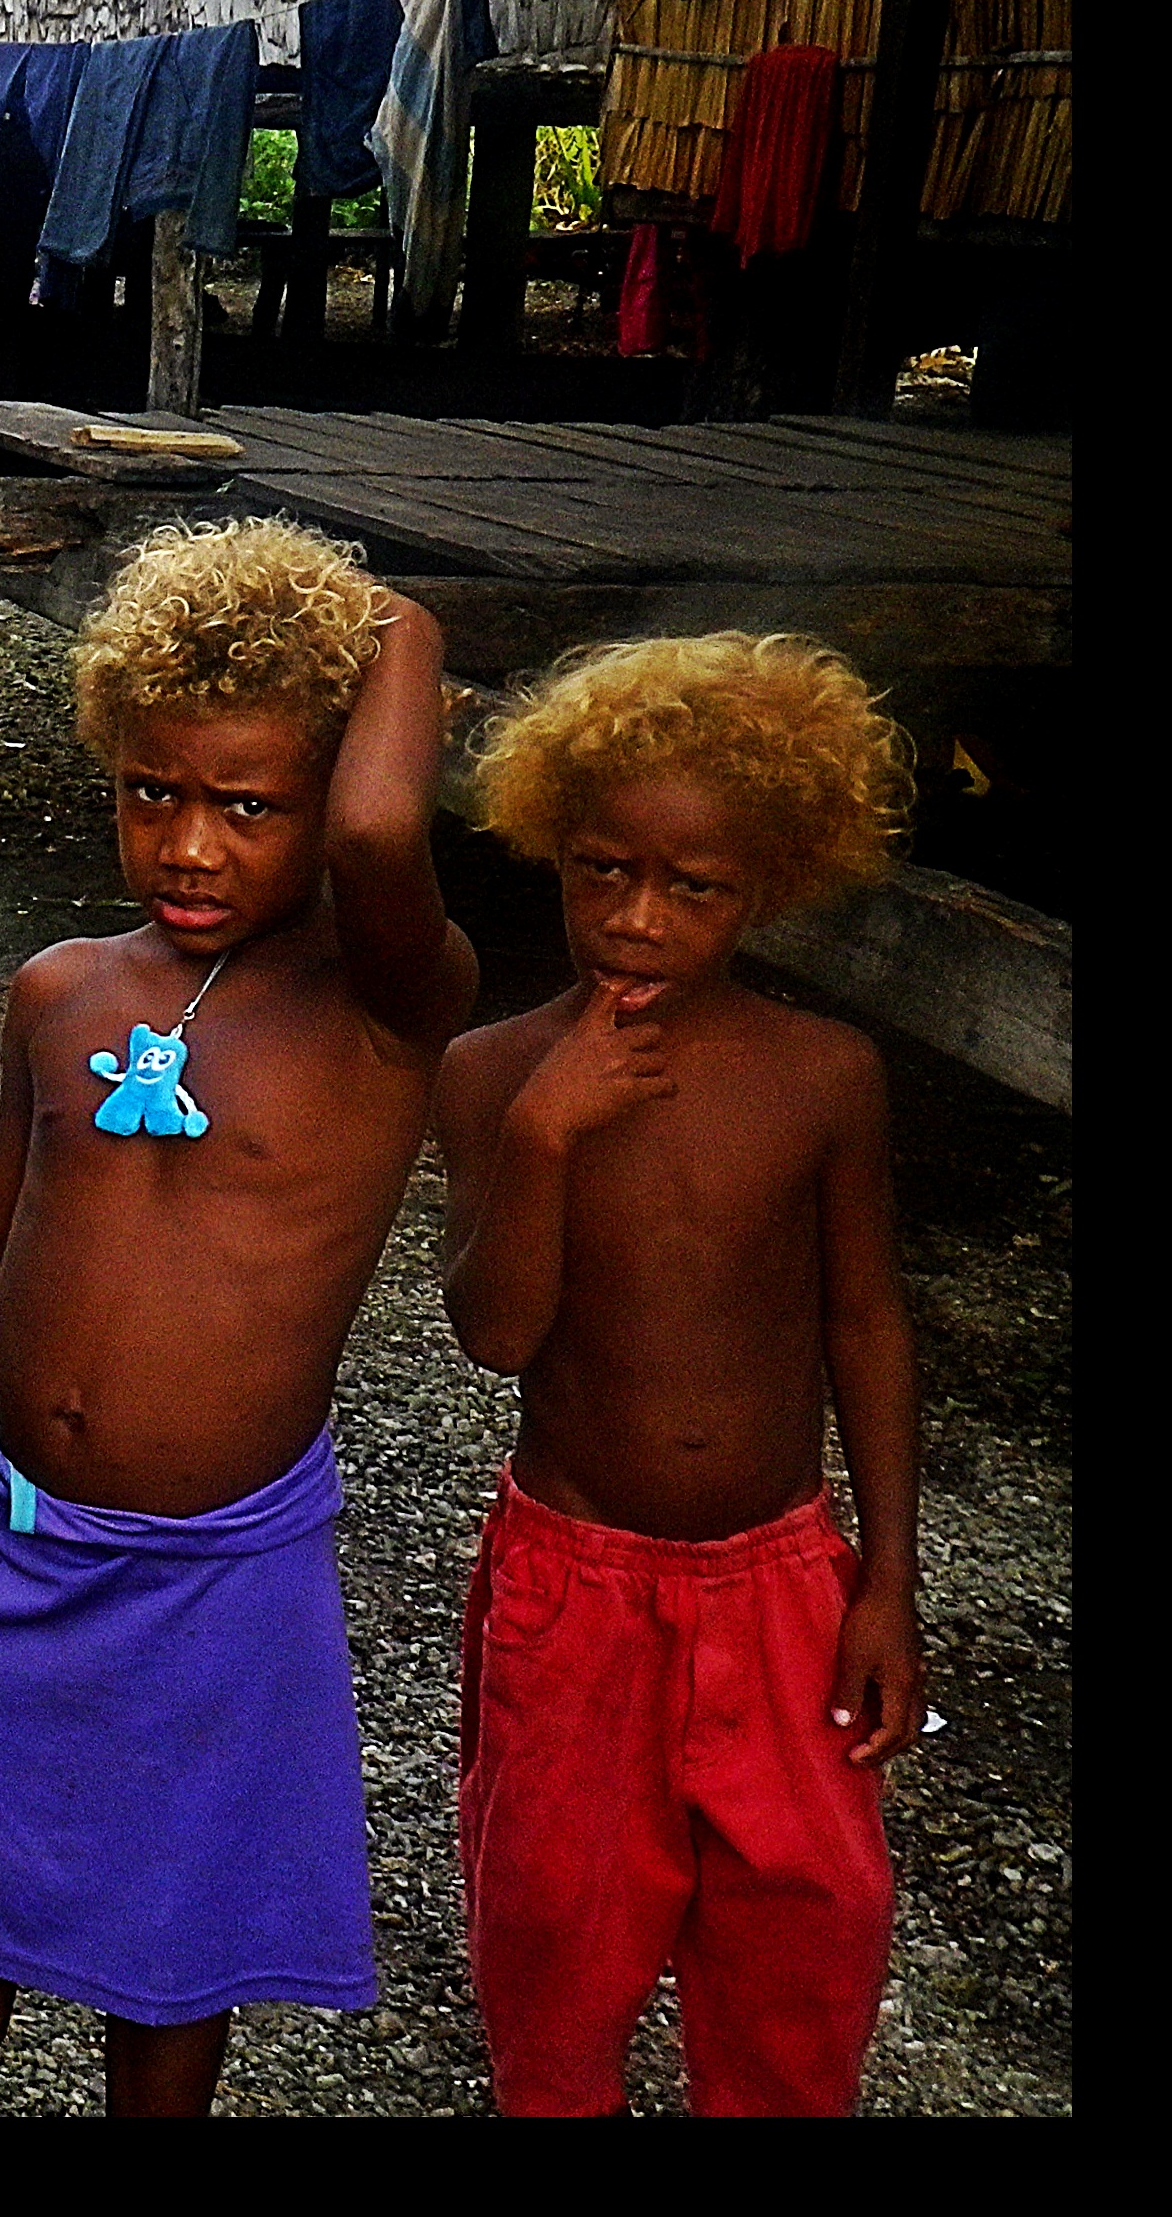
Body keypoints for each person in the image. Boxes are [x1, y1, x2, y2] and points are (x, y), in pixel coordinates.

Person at [0, 518, 473, 2116]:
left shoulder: (387, 1008)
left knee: (175, 1942)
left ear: (327, 800)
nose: (191, 845)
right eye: (154, 794)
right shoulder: (63, 992)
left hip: (219, 1576)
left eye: (251, 806)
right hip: (9, 1531)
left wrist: (380, 623)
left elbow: (397, 826)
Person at [436, 632, 924, 2118]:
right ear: (549, 848)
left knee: (808, 1934)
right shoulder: (492, 1072)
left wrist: (887, 1582)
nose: (637, 920)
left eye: (693, 888)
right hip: (573, 1587)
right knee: (557, 1937)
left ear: (767, 885)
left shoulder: (822, 1074)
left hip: (784, 1582)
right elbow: (497, 1336)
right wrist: (543, 1137)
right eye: (602, 871)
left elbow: (866, 1327)